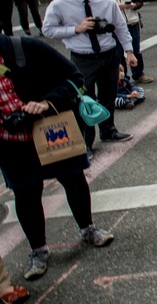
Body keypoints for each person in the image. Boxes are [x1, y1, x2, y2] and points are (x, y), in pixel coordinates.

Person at [0, 34, 115, 282]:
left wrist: (45, 103)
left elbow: (75, 78)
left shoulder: (24, 48)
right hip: (10, 143)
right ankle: (38, 250)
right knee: (26, 192)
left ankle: (88, 228)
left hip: (51, 129)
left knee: (73, 179)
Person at [42, 0, 135, 152]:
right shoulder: (59, 5)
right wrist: (76, 29)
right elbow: (48, 30)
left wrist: (129, 51)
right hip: (82, 58)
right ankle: (87, 140)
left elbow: (120, 27)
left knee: (108, 95)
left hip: (109, 55)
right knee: (85, 99)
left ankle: (108, 131)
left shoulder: (106, 2)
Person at [95, 0, 152, 83]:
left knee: (135, 50)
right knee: (119, 53)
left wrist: (133, 5)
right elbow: (96, 8)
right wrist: (115, 7)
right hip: (114, 25)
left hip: (132, 21)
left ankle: (139, 73)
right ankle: (123, 77)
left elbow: (139, 1)